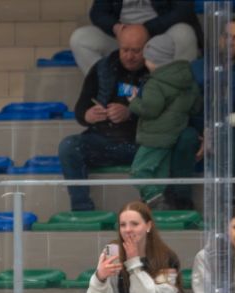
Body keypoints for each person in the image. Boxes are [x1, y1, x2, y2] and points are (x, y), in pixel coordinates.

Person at [169, 18, 235, 210]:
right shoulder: (198, 67)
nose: (230, 42)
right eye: (226, 36)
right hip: (198, 127)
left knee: (226, 138)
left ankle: (227, 202)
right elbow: (186, 105)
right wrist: (204, 129)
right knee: (185, 137)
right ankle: (181, 203)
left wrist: (217, 127)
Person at [59, 23, 150, 212]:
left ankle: (152, 205)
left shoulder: (154, 70)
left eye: (136, 51)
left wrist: (130, 113)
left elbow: (162, 112)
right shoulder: (103, 68)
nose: (129, 56)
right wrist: (88, 115)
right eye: (125, 50)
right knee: (69, 146)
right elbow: (81, 108)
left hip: (141, 143)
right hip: (103, 139)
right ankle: (82, 209)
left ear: (147, 48)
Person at [127, 34, 200, 209]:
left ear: (153, 60)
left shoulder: (155, 83)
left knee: (139, 172)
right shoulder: (187, 79)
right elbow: (195, 107)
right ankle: (159, 208)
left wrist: (134, 102)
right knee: (159, 174)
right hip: (172, 135)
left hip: (154, 136)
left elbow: (149, 110)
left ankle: (154, 200)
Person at [70, 0, 200, 76]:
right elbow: (97, 12)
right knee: (80, 38)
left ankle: (175, 94)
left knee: (184, 33)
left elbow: (184, 10)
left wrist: (147, 29)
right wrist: (116, 27)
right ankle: (109, 91)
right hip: (123, 37)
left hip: (159, 35)